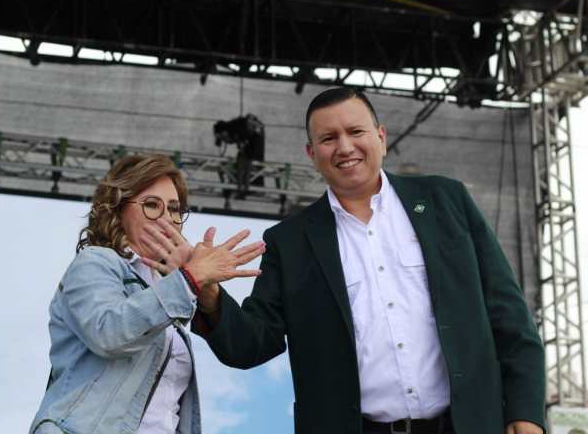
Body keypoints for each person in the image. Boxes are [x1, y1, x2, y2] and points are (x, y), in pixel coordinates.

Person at [189, 88, 546, 434]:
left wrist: (526, 411)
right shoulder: (290, 241)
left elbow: (509, 314)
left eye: (355, 131)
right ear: (311, 153)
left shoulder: (445, 200)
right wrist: (209, 296)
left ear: (381, 137)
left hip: (466, 424)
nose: (345, 147)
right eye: (329, 138)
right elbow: (253, 342)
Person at [29, 154, 265, 434]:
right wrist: (190, 278)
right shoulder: (95, 262)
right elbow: (110, 333)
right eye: (152, 205)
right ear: (117, 210)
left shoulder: (166, 291)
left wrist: (199, 285)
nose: (167, 217)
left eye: (175, 209)